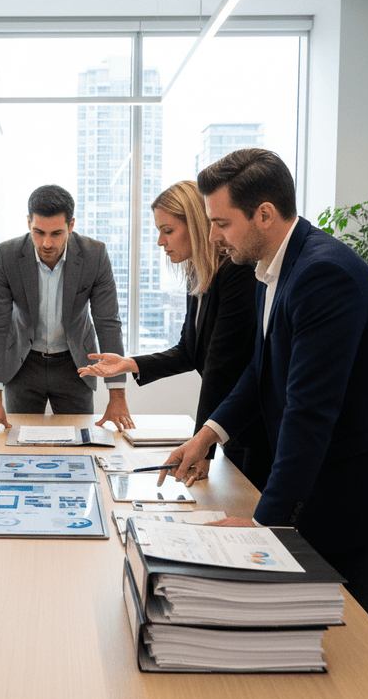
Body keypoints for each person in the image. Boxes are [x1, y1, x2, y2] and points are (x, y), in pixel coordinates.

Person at [158, 148, 368, 618]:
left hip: (367, 486)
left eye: (222, 223)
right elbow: (262, 368)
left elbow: (309, 411)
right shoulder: (271, 268)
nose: (212, 236)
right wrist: (209, 434)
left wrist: (265, 525)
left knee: (335, 629)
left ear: (265, 214)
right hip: (333, 470)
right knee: (301, 614)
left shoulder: (322, 274)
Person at [78, 180, 271, 490]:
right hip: (231, 426)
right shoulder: (199, 275)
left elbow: (221, 366)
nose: (160, 241)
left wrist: (202, 446)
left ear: (195, 225)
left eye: (167, 230)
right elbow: (189, 351)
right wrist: (129, 363)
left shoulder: (236, 273)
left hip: (256, 428)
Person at [0, 184, 133, 435]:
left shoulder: (95, 255)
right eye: (38, 232)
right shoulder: (6, 256)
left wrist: (117, 395)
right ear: (28, 223)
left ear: (71, 225)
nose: (46, 243)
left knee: (81, 443)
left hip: (76, 365)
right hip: (23, 364)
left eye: (56, 233)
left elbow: (108, 323)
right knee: (17, 443)